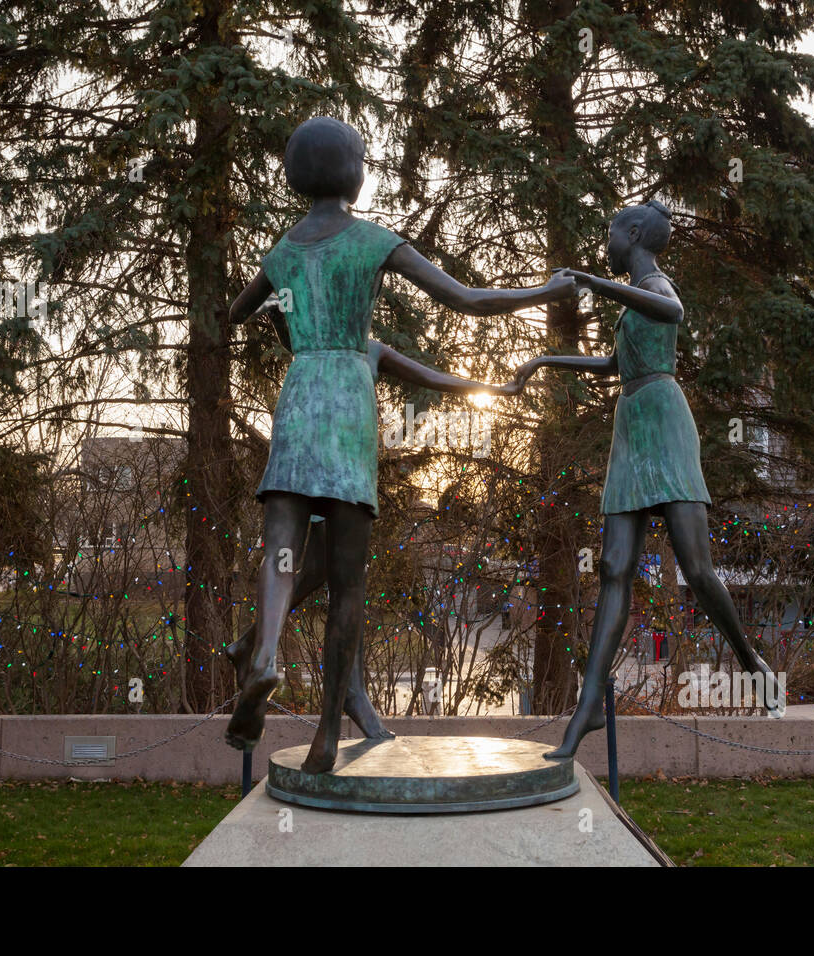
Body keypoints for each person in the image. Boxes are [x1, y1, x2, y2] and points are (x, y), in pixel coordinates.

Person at [227, 116, 576, 772]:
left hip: (301, 396)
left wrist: (279, 312)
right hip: (349, 406)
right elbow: (467, 300)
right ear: (351, 172)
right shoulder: (373, 241)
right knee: (346, 585)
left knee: (280, 548)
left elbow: (238, 312)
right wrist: (547, 289)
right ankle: (329, 734)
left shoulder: (281, 251)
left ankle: (265, 653)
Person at [512, 199, 780, 760]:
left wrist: (588, 281)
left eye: (612, 230)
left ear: (632, 233)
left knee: (698, 569)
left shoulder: (659, 286)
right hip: (631, 425)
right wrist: (544, 362)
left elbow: (673, 312)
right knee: (613, 568)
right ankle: (587, 710)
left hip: (663, 415)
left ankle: (750, 660)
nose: (606, 239)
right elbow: (613, 367)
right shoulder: (634, 300)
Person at [224, 303, 524, 741]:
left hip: (345, 466)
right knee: (333, 578)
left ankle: (266, 651)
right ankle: (336, 688)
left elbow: (431, 375)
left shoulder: (371, 351)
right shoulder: (329, 350)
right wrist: (277, 311)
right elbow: (289, 335)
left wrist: (490, 388)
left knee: (332, 574)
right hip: (319, 466)